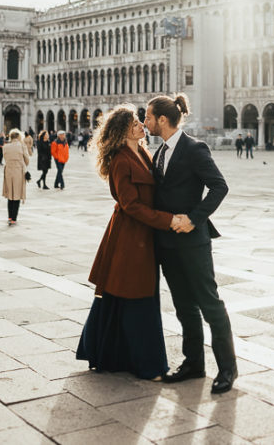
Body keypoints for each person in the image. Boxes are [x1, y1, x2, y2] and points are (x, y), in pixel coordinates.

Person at [77, 105, 187, 378]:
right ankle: (148, 365)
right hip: (129, 236)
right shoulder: (121, 160)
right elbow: (130, 205)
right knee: (136, 297)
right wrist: (168, 220)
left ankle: (110, 353)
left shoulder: (143, 153)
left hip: (142, 235)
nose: (141, 125)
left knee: (123, 295)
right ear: (125, 129)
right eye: (136, 122)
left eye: (140, 121)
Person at [144, 94, 236, 394]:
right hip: (168, 244)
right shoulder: (158, 153)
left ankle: (227, 369)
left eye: (148, 117)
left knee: (210, 305)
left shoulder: (194, 148)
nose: (145, 123)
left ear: (162, 119)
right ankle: (194, 363)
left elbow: (219, 186)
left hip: (193, 242)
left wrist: (194, 219)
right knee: (184, 307)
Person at [2, 129, 30, 224]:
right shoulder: (22, 146)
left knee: (10, 194)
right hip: (18, 171)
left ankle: (10, 217)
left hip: (8, 171)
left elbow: (5, 158)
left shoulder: (5, 146)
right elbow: (27, 160)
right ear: (19, 137)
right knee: (17, 194)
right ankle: (14, 218)